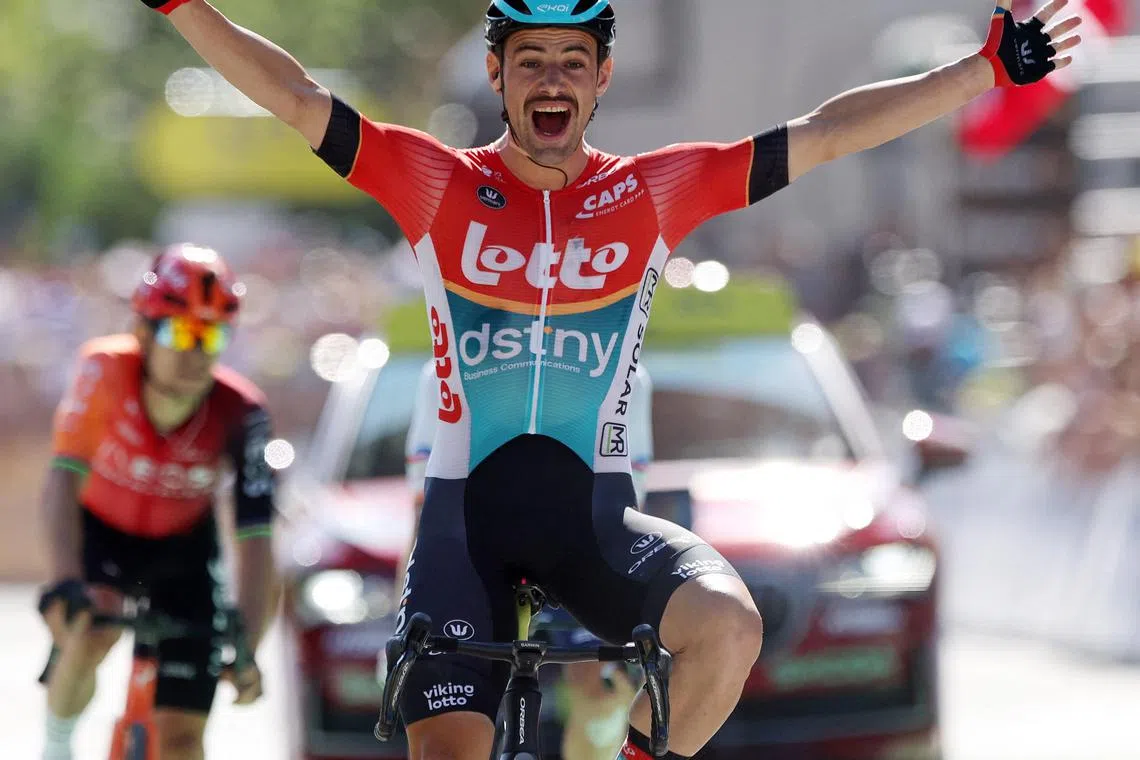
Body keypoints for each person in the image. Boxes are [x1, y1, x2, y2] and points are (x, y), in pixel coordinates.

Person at [132, 0, 1081, 755]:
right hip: (467, 525)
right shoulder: (433, 181)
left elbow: (826, 133)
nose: (553, 80)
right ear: (497, 76)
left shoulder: (657, 191)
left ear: (602, 80)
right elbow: (297, 96)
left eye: (573, 62)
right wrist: (183, 6)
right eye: (532, 61)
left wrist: (980, 71)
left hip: (598, 521)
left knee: (727, 625)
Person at [36, 244, 279, 760]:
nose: (199, 353)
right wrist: (63, 581)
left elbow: (257, 536)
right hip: (102, 532)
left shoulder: (244, 410)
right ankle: (56, 747)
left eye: (213, 335)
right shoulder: (104, 368)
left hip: (184, 552)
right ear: (143, 332)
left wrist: (250, 645)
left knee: (183, 737)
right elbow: (62, 478)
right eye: (182, 332)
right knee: (90, 628)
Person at [402, 358, 653, 760]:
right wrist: (405, 605)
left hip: (577, 552)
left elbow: (625, 504)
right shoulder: (442, 372)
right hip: (479, 557)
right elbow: (423, 513)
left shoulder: (627, 376)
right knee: (461, 712)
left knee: (597, 694)